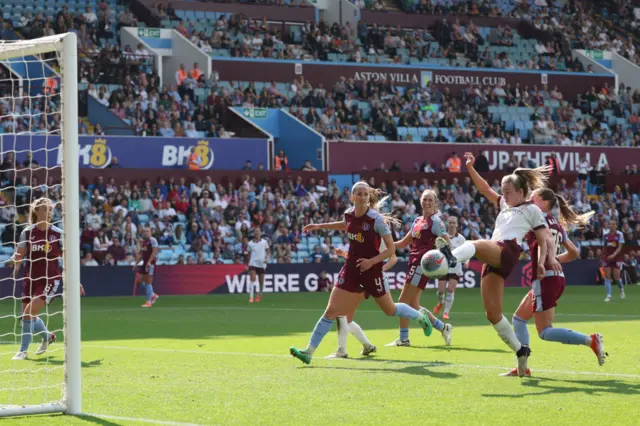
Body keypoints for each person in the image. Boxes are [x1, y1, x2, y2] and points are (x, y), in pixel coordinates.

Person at [436, 152, 559, 376]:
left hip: (507, 250)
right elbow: (484, 189)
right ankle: (521, 352)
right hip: (494, 256)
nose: (503, 195)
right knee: (492, 314)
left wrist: (544, 261)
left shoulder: (531, 209)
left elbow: (544, 238)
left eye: (508, 191)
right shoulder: (505, 205)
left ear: (521, 192)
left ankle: (449, 258)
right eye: (502, 191)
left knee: (476, 243)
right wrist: (471, 168)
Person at [289, 181, 433, 365]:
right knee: (331, 310)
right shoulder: (349, 214)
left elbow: (390, 250)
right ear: (352, 196)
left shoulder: (376, 220)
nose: (363, 197)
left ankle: (421, 317)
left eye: (366, 194)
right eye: (359, 194)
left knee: (390, 310)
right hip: (351, 269)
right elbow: (345, 224)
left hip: (372, 271)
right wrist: (318, 226)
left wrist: (371, 262)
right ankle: (308, 352)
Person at [502, 187, 605, 376]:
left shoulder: (537, 218)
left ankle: (591, 340)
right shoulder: (556, 223)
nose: (530, 200)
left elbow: (545, 241)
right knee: (518, 319)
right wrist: (555, 259)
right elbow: (574, 252)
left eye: (533, 198)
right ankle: (522, 367)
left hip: (544, 279)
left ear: (544, 202)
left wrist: (547, 260)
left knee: (544, 332)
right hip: (554, 278)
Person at [10, 198, 85, 360]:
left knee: (29, 313)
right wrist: (15, 258)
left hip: (50, 279)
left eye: (49, 209)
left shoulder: (57, 234)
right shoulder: (27, 233)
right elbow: (19, 254)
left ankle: (22, 351)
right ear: (36, 211)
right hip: (30, 278)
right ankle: (48, 336)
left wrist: (75, 281)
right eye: (44, 209)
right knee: (28, 316)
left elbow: (68, 261)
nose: (47, 212)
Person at [388, 189, 452, 347]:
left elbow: (447, 242)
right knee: (413, 304)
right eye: (425, 199)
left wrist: (439, 255)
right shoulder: (417, 221)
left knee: (403, 301)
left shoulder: (435, 222)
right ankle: (443, 327)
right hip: (413, 263)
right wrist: (385, 246)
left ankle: (404, 339)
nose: (427, 202)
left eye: (430, 200)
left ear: (435, 202)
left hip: (421, 265)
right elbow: (403, 243)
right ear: (420, 201)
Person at [434, 216, 468, 320]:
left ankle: (446, 312)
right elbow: (437, 250)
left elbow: (466, 251)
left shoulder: (461, 239)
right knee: (440, 291)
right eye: (450, 223)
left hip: (456, 267)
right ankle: (441, 302)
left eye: (454, 223)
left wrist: (466, 261)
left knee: (450, 290)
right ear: (447, 224)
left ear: (457, 225)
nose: (452, 225)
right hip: (444, 267)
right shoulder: (442, 237)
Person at [133, 227, 159, 308]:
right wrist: (136, 264)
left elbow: (154, 252)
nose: (146, 233)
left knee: (148, 282)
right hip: (144, 264)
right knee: (139, 281)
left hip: (150, 264)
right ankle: (152, 294)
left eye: (148, 231)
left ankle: (149, 301)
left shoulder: (153, 240)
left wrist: (149, 261)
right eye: (145, 231)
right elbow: (142, 255)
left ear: (151, 232)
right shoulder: (144, 242)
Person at [602, 220, 625, 302]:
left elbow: (619, 247)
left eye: (613, 224)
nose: (611, 225)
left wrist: (613, 255)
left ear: (616, 226)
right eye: (610, 224)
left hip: (617, 257)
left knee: (616, 277)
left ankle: (621, 289)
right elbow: (604, 246)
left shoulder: (620, 234)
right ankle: (608, 295)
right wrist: (603, 256)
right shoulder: (605, 236)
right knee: (607, 276)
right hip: (607, 257)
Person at [247, 228, 270, 303]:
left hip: (261, 263)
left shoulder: (264, 242)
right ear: (254, 233)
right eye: (256, 231)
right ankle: (251, 297)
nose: (257, 233)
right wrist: (247, 264)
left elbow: (268, 252)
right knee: (252, 278)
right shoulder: (250, 243)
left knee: (261, 281)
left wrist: (267, 258)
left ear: (260, 233)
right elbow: (248, 254)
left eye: (258, 231)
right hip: (253, 263)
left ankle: (260, 294)